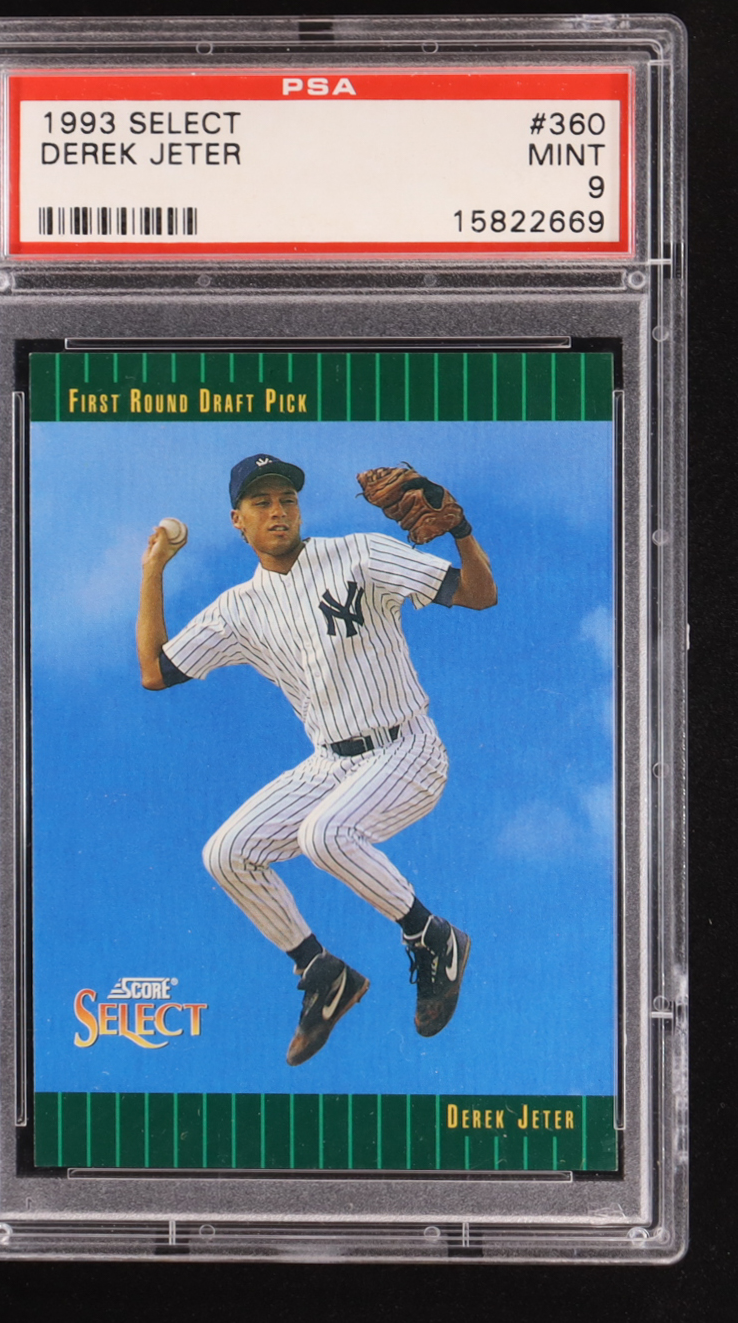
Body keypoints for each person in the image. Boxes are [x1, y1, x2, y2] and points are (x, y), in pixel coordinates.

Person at [137, 453, 497, 1065]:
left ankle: (433, 937)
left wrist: (461, 529)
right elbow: (155, 671)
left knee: (324, 834)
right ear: (238, 521)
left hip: (407, 749)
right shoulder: (237, 610)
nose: (278, 511)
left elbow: (480, 595)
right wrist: (153, 570)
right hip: (330, 763)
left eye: (287, 499)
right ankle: (322, 971)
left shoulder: (361, 553)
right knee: (226, 853)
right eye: (261, 503)